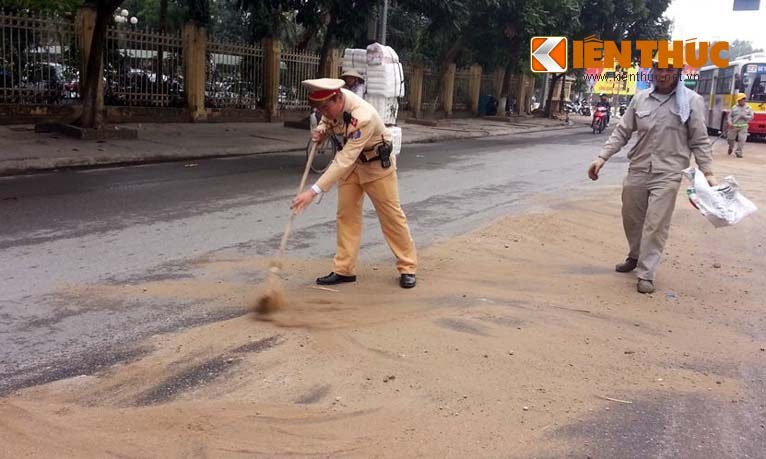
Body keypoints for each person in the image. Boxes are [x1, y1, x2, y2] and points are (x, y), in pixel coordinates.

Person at [587, 52, 717, 294]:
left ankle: (646, 272)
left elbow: (699, 140)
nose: (663, 73)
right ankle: (635, 255)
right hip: (638, 168)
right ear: (653, 70)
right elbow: (622, 132)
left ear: (678, 71)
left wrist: (708, 173)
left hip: (669, 171)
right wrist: (601, 158)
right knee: (631, 217)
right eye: (659, 68)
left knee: (656, 223)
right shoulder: (640, 99)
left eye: (669, 69)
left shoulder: (691, 101)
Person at [291, 78, 417, 289]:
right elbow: (330, 121)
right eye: (319, 110)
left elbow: (343, 160)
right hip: (352, 168)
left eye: (325, 108)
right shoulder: (333, 107)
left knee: (391, 217)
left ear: (338, 98)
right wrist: (322, 130)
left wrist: (313, 192)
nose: (324, 113)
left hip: (377, 166)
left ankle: (408, 267)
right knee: (346, 215)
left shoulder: (362, 116)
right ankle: (344, 269)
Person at [727, 93, 753, 158]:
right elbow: (729, 116)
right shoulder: (734, 107)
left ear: (744, 100)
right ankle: (731, 147)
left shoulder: (748, 108)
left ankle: (738, 152)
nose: (740, 101)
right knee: (730, 139)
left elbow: (751, 117)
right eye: (739, 100)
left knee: (742, 140)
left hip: (743, 126)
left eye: (742, 100)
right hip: (734, 126)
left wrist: (744, 116)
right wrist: (730, 123)